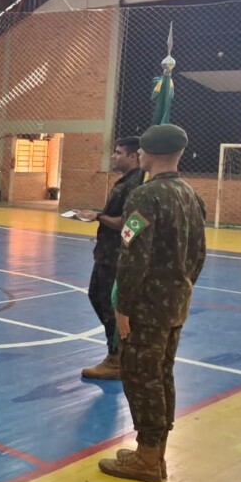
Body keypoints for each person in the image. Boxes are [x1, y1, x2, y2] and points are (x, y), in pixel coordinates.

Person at [99, 124, 207, 482]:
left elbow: (134, 257)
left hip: (146, 307)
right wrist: (182, 288)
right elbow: (199, 254)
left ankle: (146, 460)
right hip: (176, 302)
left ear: (147, 153)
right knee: (162, 375)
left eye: (141, 150)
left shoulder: (145, 196)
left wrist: (123, 306)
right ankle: (154, 453)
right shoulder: (190, 195)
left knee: (141, 379)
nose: (139, 154)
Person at [74, 137, 145, 379]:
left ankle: (116, 358)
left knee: (109, 303)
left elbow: (130, 224)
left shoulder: (136, 185)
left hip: (116, 256)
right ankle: (121, 355)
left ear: (134, 156)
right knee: (100, 297)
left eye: (118, 153)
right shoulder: (128, 181)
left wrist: (98, 217)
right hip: (109, 253)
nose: (114, 157)